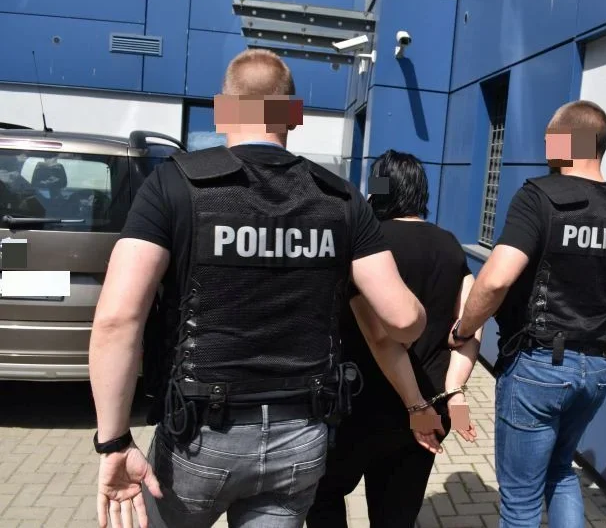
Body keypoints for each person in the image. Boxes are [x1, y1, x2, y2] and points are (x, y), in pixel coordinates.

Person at [88, 49, 430, 528]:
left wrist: (114, 442)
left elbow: (117, 320)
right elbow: (404, 319)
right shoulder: (341, 199)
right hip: (301, 437)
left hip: (200, 437)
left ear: (224, 109)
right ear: (292, 115)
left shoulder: (173, 184)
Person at [448, 100, 606, 527]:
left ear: (564, 144)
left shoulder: (538, 197)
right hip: (597, 372)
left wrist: (464, 330)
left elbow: (495, 281)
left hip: (538, 368)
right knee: (560, 471)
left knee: (520, 500)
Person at [306, 150, 482, 528]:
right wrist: (455, 392)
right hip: (427, 411)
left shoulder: (365, 244)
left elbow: (380, 337)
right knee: (396, 517)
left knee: (322, 496)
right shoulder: (450, 245)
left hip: (360, 406)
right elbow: (471, 322)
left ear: (379, 191)